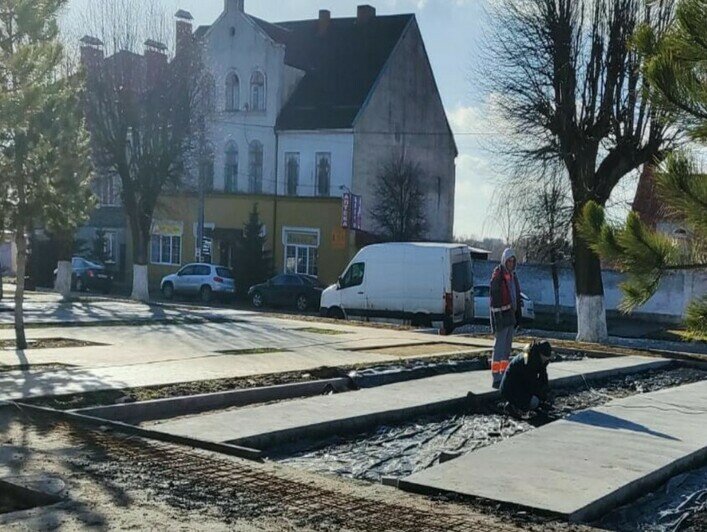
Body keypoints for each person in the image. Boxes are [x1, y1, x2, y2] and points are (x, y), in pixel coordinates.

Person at [489, 248, 522, 388]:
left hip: (511, 315)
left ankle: (504, 374)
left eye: (513, 261)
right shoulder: (498, 275)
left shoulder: (513, 276)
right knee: (499, 347)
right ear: (504, 260)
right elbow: (494, 298)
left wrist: (518, 314)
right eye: (509, 260)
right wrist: (497, 319)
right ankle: (496, 377)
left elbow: (516, 295)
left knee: (507, 348)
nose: (511, 263)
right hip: (501, 316)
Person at [500, 340, 552, 412]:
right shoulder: (528, 361)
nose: (545, 360)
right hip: (510, 389)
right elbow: (530, 384)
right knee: (534, 402)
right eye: (545, 357)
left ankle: (520, 404)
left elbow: (543, 377)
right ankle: (512, 406)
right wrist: (540, 395)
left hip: (520, 385)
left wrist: (545, 391)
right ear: (540, 353)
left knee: (538, 397)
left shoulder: (536, 358)